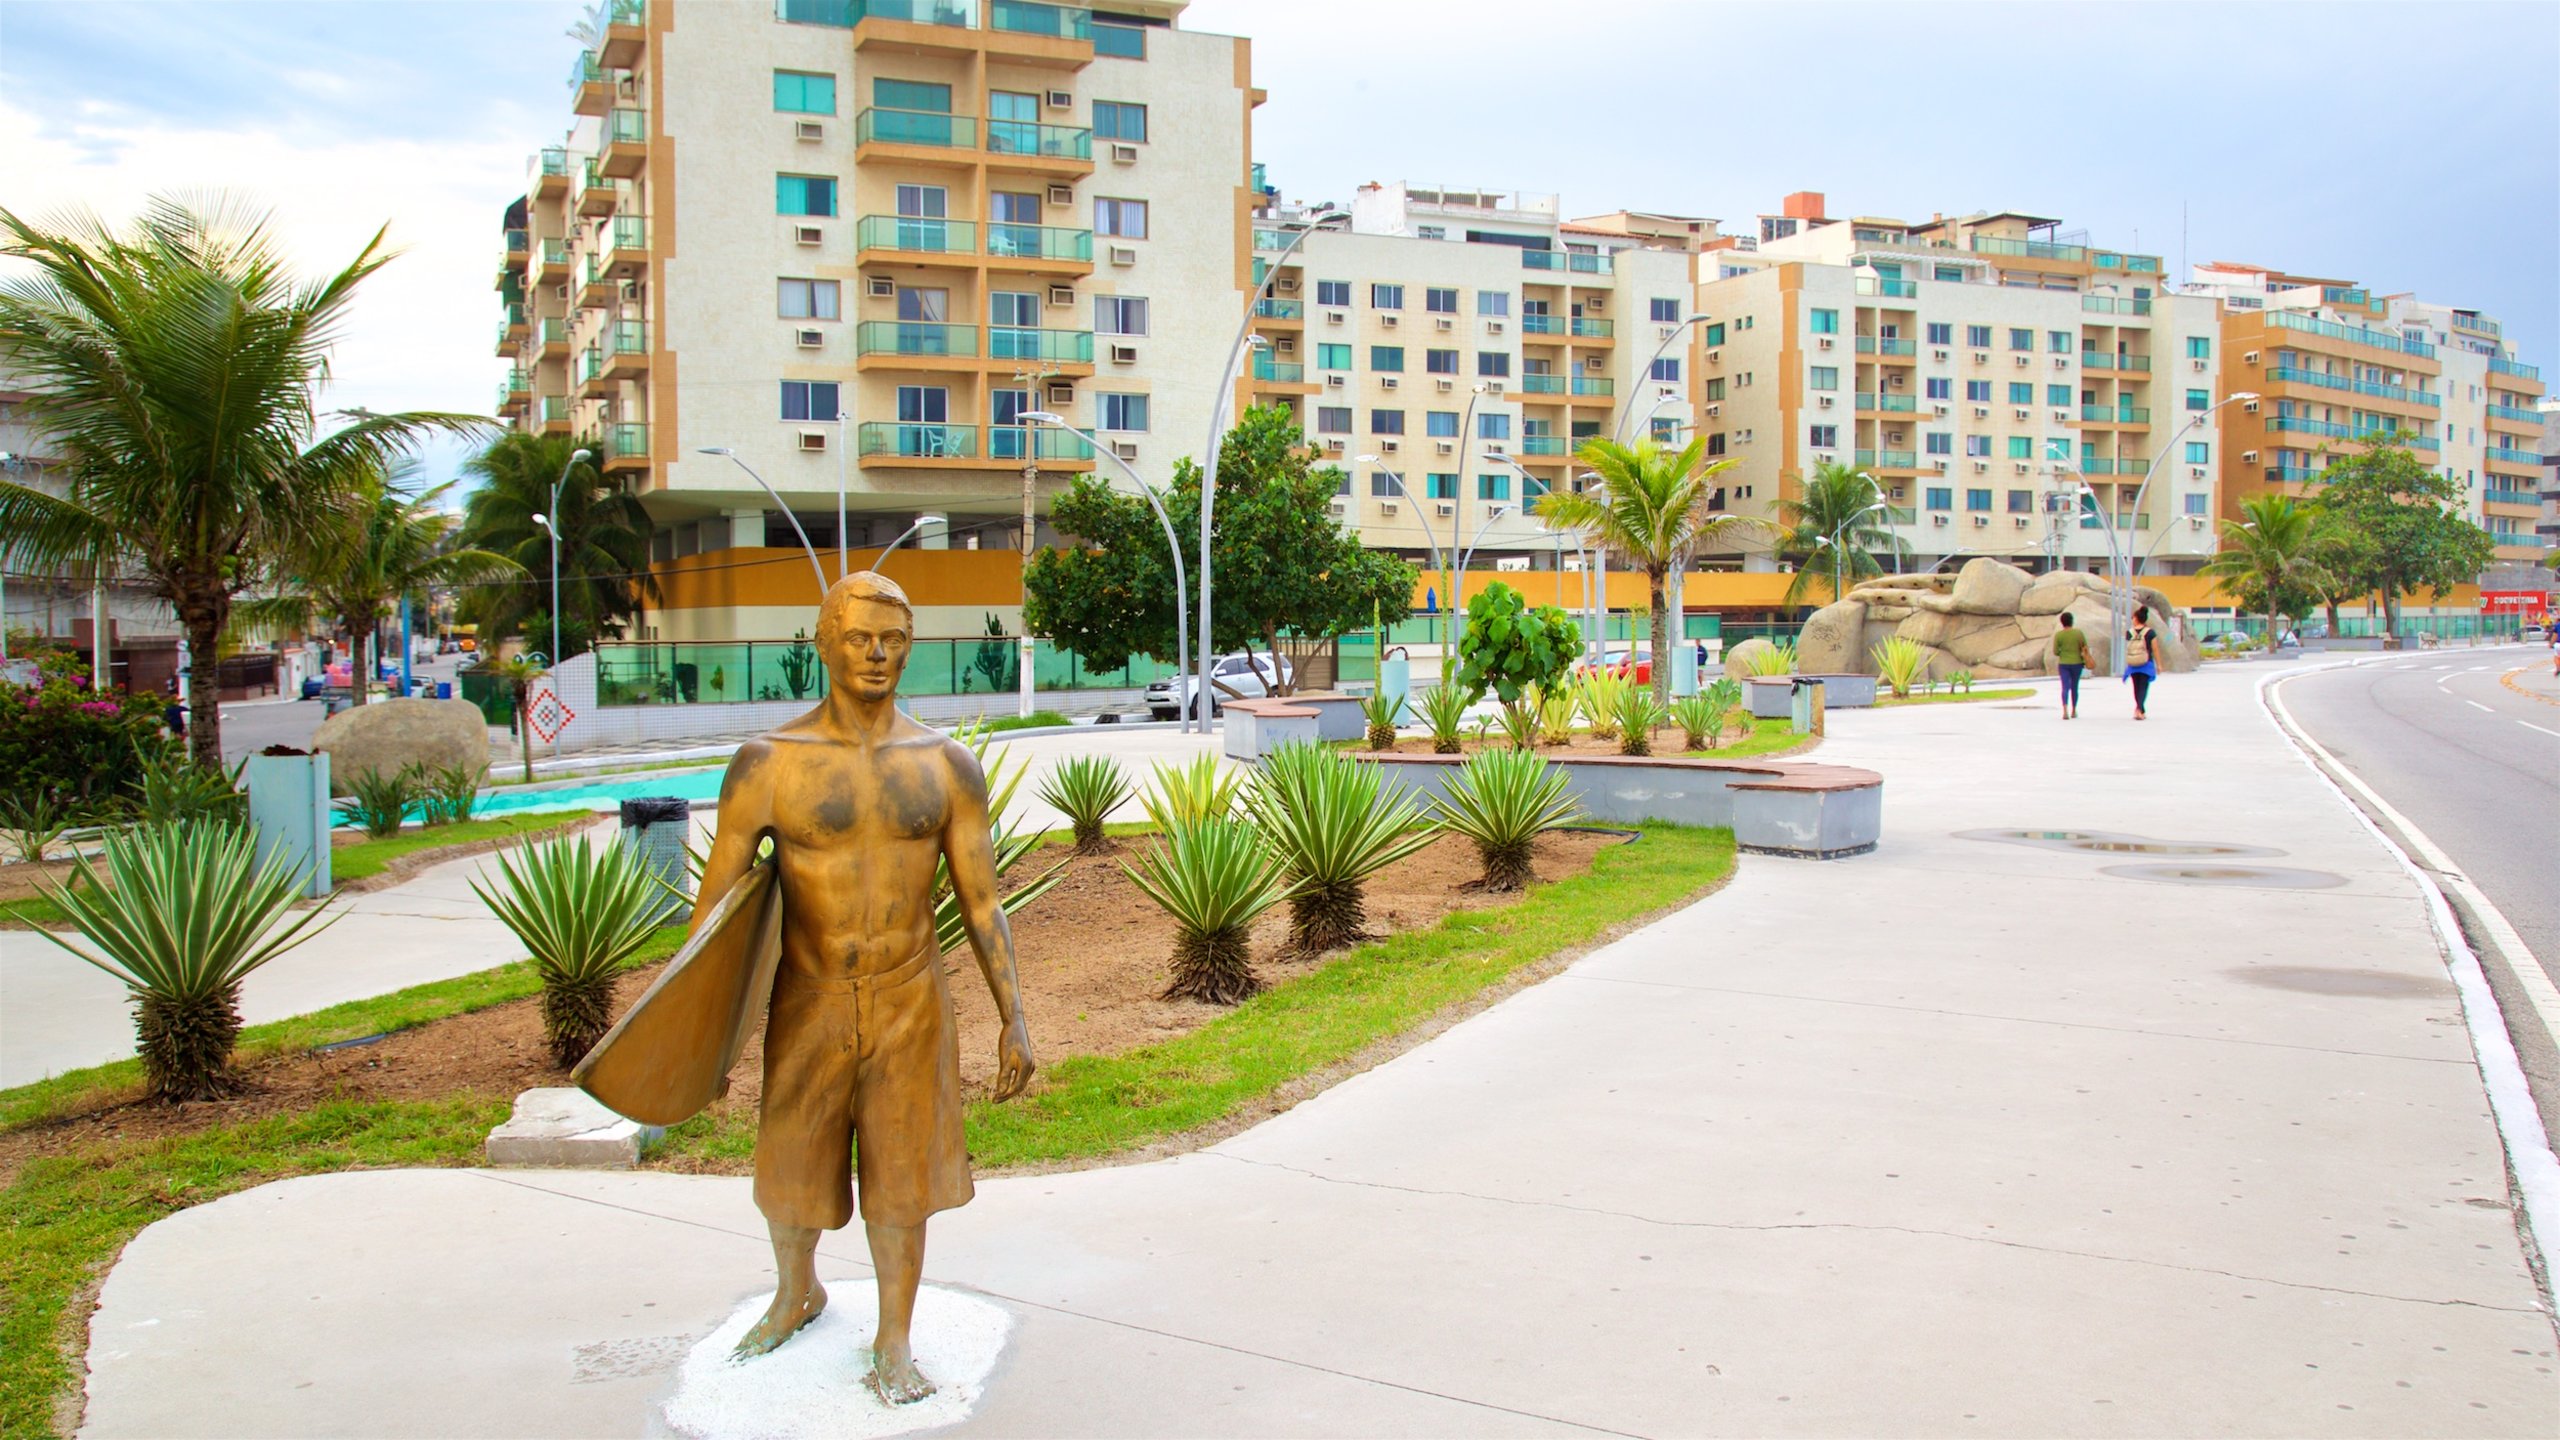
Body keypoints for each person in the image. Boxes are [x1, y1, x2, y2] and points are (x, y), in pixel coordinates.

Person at [652, 572, 1033, 1404]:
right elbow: (715, 905)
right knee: (791, 1165)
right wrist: (697, 1036)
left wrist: (1014, 1018)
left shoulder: (945, 764)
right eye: (860, 636)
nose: (876, 653)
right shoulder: (767, 764)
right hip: (810, 993)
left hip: (910, 997)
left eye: (893, 640)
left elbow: (982, 900)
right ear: (823, 641)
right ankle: (798, 1293)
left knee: (903, 1176)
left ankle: (893, 1339)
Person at [2123, 604, 2162, 720]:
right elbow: (2155, 649)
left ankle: (2140, 709)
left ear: (2136, 618)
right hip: (2146, 663)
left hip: (2133, 662)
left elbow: (2128, 647)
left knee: (2136, 687)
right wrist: (2159, 664)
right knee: (2143, 687)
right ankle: (2139, 710)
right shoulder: (2150, 633)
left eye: (2133, 617)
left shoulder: (2129, 633)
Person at [2051, 612, 2086, 720]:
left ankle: (2065, 710)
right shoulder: (2078, 633)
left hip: (2064, 664)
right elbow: (2084, 647)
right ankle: (2074, 710)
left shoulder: (2059, 635)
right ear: (2072, 621)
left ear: (2062, 622)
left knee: (2065, 687)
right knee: (2075, 687)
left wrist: (2063, 652)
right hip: (2077, 663)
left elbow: (2055, 651)